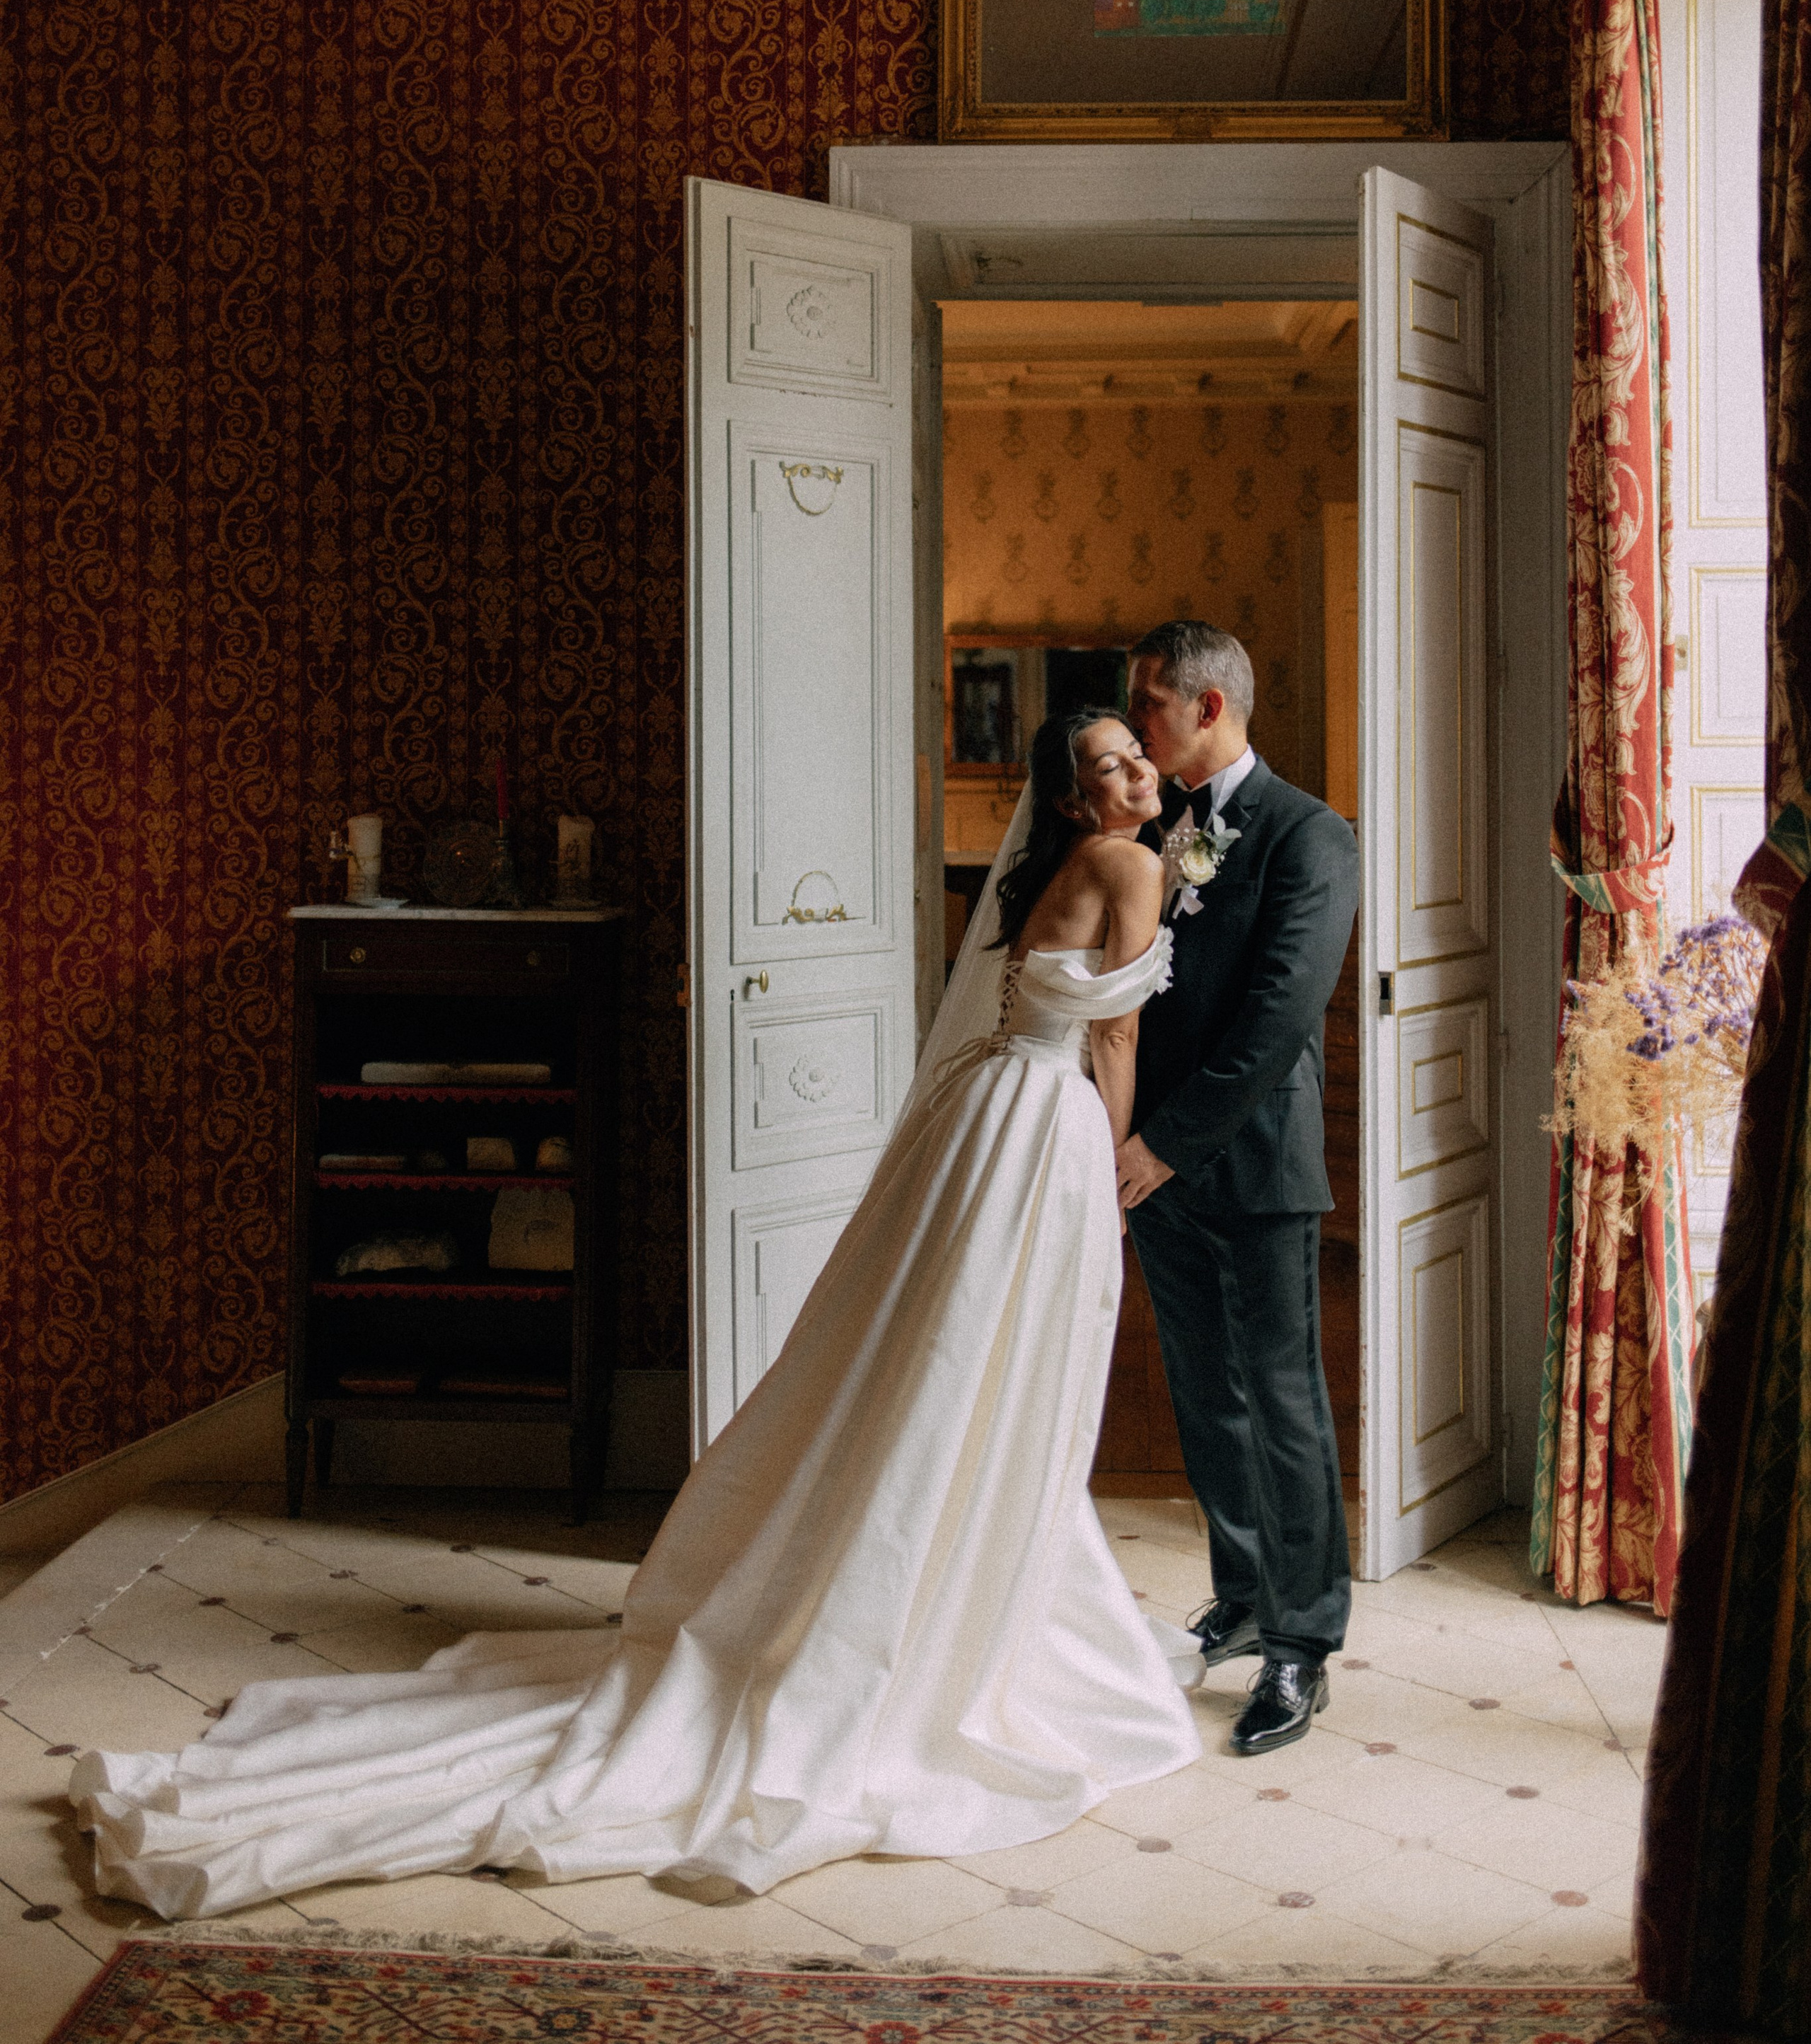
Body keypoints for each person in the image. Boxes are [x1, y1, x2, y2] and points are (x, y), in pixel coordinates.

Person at [72, 712, 1202, 1920]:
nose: (1137, 772)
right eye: (1109, 767)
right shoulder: (1129, 861)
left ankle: (920, 1569)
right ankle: (949, 1600)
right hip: (1042, 1126)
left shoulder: (1080, 862)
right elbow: (1116, 1031)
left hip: (984, 1107)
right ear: (1081, 802)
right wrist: (1117, 1160)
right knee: (999, 1371)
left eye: (1138, 752)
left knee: (936, 1360)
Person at [1116, 620, 1359, 1759]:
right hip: (1154, 1170)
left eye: (1151, 705)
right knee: (1204, 1397)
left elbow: (1276, 1019)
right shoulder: (1156, 829)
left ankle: (1304, 1640)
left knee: (1281, 1397)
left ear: (1210, 708)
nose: (1137, 725)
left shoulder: (1312, 836)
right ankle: (1246, 1594)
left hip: (1254, 1166)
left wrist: (1162, 1142)